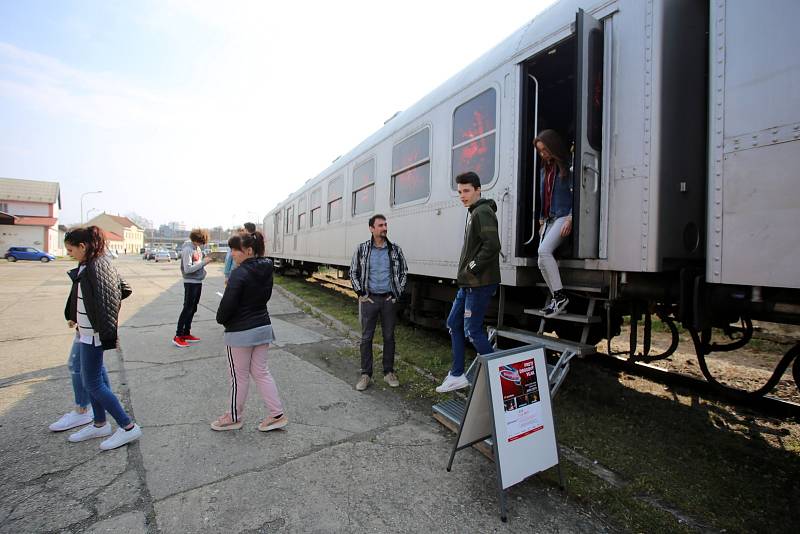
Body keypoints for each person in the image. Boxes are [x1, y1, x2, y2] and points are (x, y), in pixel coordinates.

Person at [62, 226, 142, 450]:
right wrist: (75, 316)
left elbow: (121, 291)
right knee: (93, 380)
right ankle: (99, 424)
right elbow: (111, 292)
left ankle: (127, 426)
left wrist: (103, 324)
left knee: (93, 383)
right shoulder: (90, 264)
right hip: (87, 332)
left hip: (94, 334)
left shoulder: (95, 267)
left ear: (83, 246)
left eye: (70, 249)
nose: (69, 253)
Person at [212, 230, 287, 432]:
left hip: (239, 332)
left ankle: (233, 417)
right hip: (263, 327)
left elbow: (226, 308)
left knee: (239, 376)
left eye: (236, 250)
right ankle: (276, 414)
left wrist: (221, 318)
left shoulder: (239, 273)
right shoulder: (266, 269)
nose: (232, 254)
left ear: (248, 250)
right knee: (261, 372)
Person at [436, 172, 501, 393]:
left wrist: (471, 268)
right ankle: (457, 375)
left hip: (479, 283)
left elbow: (492, 246)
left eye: (466, 191)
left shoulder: (483, 212)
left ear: (478, 189)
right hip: (469, 284)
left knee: (473, 331)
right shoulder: (473, 212)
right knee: (454, 323)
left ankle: (501, 379)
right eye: (460, 192)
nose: (462, 196)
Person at [349, 214, 408, 391]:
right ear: (371, 229)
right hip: (370, 300)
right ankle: (366, 374)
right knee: (366, 338)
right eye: (380, 225)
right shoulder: (362, 249)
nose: (384, 228)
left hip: (388, 300)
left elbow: (404, 272)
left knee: (389, 337)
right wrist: (360, 292)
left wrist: (397, 293)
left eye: (385, 225)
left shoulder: (395, 250)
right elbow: (353, 272)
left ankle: (388, 372)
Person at [534, 129, 573, 317]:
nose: (543, 154)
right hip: (549, 218)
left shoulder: (567, 166)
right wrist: (541, 218)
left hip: (563, 215)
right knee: (541, 261)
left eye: (545, 149)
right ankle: (557, 298)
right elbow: (545, 197)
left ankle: (559, 296)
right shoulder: (545, 170)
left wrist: (571, 217)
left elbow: (577, 196)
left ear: (553, 146)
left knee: (544, 251)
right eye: (540, 151)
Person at [48, 338, 110, 432]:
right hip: (91, 328)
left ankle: (82, 411)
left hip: (89, 329)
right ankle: (105, 405)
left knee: (78, 365)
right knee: (94, 364)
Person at [173, 228, 212, 348]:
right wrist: (203, 263)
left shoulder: (197, 248)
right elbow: (188, 269)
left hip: (197, 281)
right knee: (187, 308)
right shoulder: (187, 250)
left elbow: (197, 264)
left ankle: (186, 333)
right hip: (190, 282)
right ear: (196, 239)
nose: (201, 244)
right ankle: (178, 336)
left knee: (193, 308)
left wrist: (203, 270)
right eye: (200, 242)